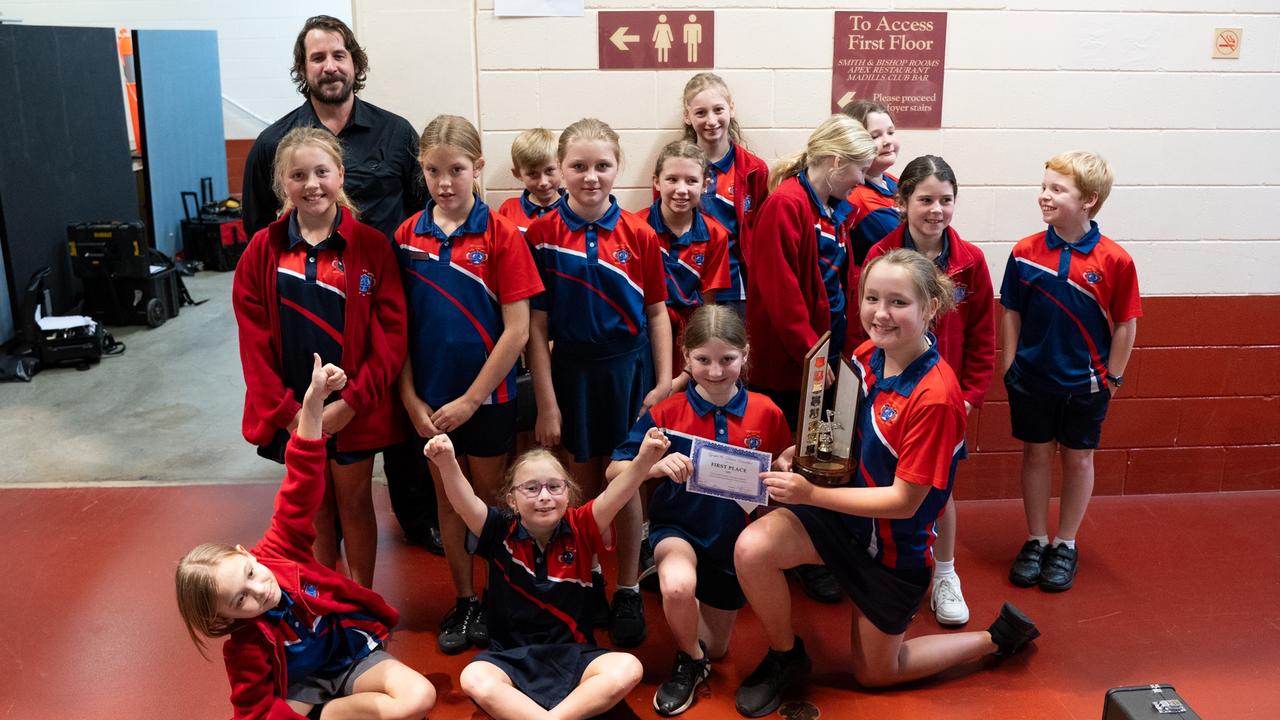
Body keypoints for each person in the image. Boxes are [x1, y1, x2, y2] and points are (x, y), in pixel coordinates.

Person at [732, 249, 1040, 718]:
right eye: (871, 298)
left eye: (898, 302)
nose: (880, 313)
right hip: (844, 519)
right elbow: (849, 437)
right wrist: (808, 454)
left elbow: (904, 501)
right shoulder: (865, 356)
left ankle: (994, 638)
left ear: (930, 308)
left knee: (877, 674)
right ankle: (785, 654)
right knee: (752, 549)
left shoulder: (935, 397)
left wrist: (810, 493)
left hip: (894, 549)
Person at [239, 14, 436, 555]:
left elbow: (423, 219)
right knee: (319, 495)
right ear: (303, 69)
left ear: (355, 62)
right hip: (300, 317)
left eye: (339, 55)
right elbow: (260, 233)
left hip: (383, 315)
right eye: (317, 57)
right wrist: (292, 409)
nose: (330, 66)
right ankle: (323, 589)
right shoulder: (271, 143)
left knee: (396, 446)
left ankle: (418, 524)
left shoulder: (397, 134)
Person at [176, 355, 436, 720]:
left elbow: (301, 480)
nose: (260, 590)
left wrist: (313, 402)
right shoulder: (244, 648)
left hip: (351, 659)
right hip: (301, 689)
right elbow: (252, 713)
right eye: (240, 600)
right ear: (224, 619)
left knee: (419, 699)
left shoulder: (279, 552)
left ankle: (324, 714)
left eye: (250, 575)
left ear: (246, 554)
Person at [394, 114, 544, 655]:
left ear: (478, 168)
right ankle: (465, 600)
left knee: (486, 504)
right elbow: (399, 328)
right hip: (430, 405)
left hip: (488, 401)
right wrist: (411, 398)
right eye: (433, 171)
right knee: (446, 503)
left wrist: (471, 399)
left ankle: (500, 596)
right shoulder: (408, 236)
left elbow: (518, 330)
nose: (445, 182)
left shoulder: (502, 235)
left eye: (456, 169)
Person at [233, 127, 407, 588]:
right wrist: (292, 415)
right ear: (282, 185)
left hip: (355, 411)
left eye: (321, 172)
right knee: (315, 507)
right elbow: (253, 345)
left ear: (340, 175)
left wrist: (350, 404)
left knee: (354, 503)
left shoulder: (371, 245)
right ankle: (325, 599)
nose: (312, 184)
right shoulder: (261, 251)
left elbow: (391, 336)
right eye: (298, 175)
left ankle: (361, 600)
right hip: (292, 411)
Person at [525, 118, 672, 647]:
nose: (591, 177)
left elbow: (657, 313)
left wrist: (661, 384)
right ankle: (583, 577)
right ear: (560, 169)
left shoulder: (640, 233)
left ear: (618, 168)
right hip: (571, 373)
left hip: (628, 371)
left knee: (625, 480)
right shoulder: (541, 235)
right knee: (577, 481)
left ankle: (628, 586)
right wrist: (547, 401)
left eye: (602, 166)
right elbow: (536, 326)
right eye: (579, 166)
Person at [608, 305, 791, 717]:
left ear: (745, 354)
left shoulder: (767, 411)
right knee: (677, 588)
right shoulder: (666, 413)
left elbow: (781, 462)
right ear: (685, 358)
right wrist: (652, 465)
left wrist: (784, 468)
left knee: (720, 649)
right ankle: (689, 659)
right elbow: (613, 467)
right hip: (679, 529)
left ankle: (700, 646)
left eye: (727, 359)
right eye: (703, 360)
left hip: (734, 542)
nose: (715, 371)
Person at [423, 427, 671, 719]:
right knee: (474, 677)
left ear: (568, 494)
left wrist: (643, 460)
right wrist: (447, 463)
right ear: (512, 499)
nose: (544, 496)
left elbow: (618, 493)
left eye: (555, 487)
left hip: (575, 657)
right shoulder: (498, 531)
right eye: (531, 488)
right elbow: (464, 502)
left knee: (629, 668)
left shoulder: (582, 527)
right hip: (511, 660)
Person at [847, 155, 996, 626]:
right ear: (902, 201)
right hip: (890, 393)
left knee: (938, 490)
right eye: (926, 199)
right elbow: (868, 323)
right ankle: (874, 559)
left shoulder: (970, 260)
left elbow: (984, 335)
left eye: (946, 200)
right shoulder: (881, 255)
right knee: (882, 478)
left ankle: (946, 572)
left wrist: (970, 395)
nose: (936, 209)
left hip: (940, 398)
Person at [744, 113, 876, 605]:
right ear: (836, 161)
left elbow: (837, 284)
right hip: (793, 365)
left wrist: (844, 354)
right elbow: (782, 298)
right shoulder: (786, 204)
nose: (864, 180)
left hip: (825, 357)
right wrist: (818, 364)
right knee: (788, 457)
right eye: (859, 169)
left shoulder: (831, 207)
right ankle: (783, 552)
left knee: (815, 458)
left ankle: (808, 547)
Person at [1001, 151, 1140, 592]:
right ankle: (1036, 538)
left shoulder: (1115, 260)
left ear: (1089, 200)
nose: (1044, 196)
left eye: (1058, 190)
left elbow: (1125, 324)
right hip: (1032, 378)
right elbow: (1011, 312)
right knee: (1036, 454)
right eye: (1044, 186)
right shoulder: (1024, 252)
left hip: (1087, 384)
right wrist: (1010, 364)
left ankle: (1065, 544)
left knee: (1078, 458)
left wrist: (1112, 378)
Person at [637, 139, 730, 380]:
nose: (681, 189)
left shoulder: (715, 235)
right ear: (656, 181)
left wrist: (688, 370)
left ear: (705, 184)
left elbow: (708, 309)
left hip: (688, 341)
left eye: (691, 181)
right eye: (672, 179)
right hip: (643, 335)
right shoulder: (636, 228)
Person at [679, 72, 769, 318]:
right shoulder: (673, 166)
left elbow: (761, 234)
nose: (711, 120)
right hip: (689, 283)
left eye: (718, 109)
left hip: (736, 286)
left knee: (734, 353)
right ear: (687, 117)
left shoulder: (754, 169)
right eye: (700, 113)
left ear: (731, 108)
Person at [840, 100, 902, 265]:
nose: (887, 141)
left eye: (891, 132)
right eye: (875, 136)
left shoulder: (894, 182)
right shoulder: (855, 198)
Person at [497, 127, 564, 234]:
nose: (543, 182)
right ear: (518, 174)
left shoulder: (574, 210)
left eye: (549, 170)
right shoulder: (508, 210)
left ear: (562, 167)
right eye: (533, 174)